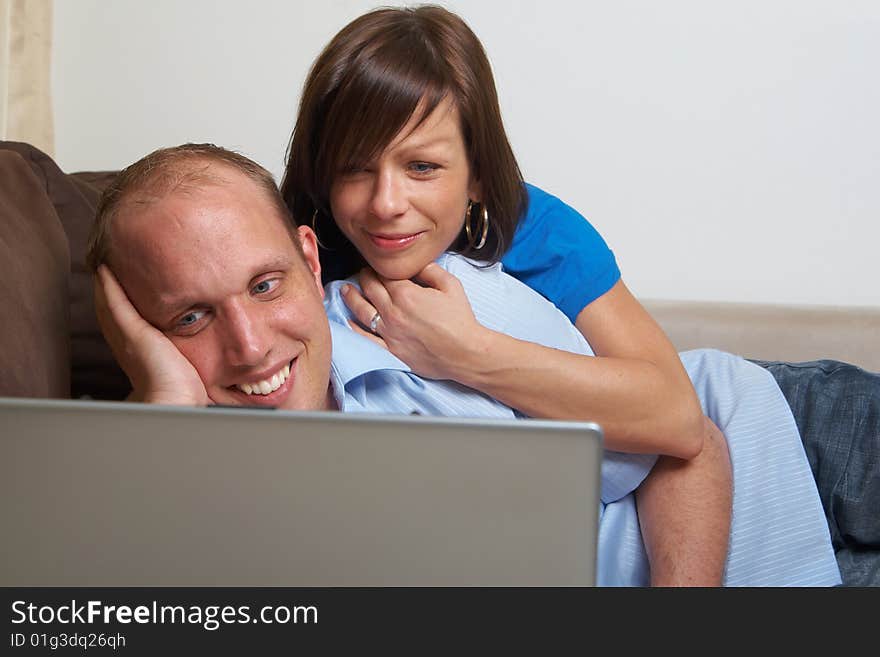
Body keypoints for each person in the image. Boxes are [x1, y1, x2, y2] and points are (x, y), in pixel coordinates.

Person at [89, 144, 838, 586]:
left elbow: (694, 429)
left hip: (751, 443)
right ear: (137, 332)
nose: (250, 345)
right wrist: (166, 406)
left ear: (309, 258)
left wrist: (468, 352)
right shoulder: (117, 489)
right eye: (190, 316)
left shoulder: (445, 301)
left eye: (265, 284)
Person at [279, 6, 842, 585]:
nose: (385, 203)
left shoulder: (537, 231)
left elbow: (678, 416)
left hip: (768, 409)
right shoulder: (287, 262)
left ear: (476, 174)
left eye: (422, 166)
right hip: (626, 501)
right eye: (355, 169)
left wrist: (464, 350)